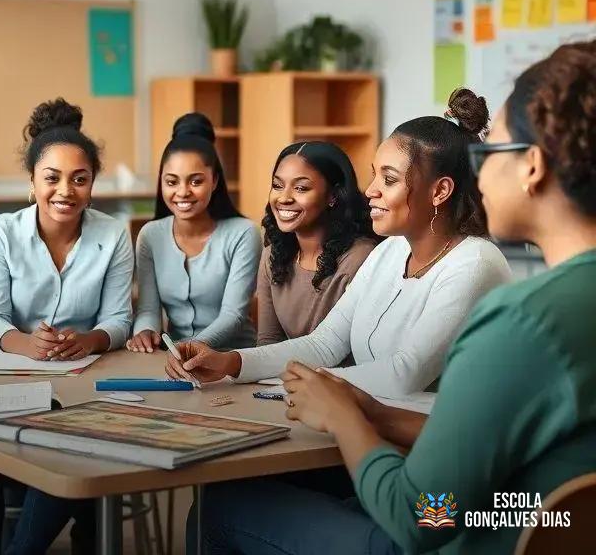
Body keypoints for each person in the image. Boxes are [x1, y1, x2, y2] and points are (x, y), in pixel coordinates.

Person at [188, 39, 596, 555]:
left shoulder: (520, 319)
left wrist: (343, 416)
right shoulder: (557, 304)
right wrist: (367, 412)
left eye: (494, 152)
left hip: (465, 530)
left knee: (224, 504)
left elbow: (422, 513)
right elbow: (492, 459)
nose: (482, 171)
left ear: (532, 166)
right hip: (504, 514)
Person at [168, 88, 513, 399]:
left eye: (388, 179)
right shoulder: (391, 251)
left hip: (441, 448)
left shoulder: (476, 263)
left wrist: (301, 383)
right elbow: (326, 342)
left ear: (439, 191)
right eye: (374, 173)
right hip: (373, 426)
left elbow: (404, 374)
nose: (371, 190)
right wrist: (229, 362)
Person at [0, 98, 134, 555]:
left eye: (80, 179)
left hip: (87, 377)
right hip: (9, 370)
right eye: (51, 178)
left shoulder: (113, 233)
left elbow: (118, 319)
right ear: (32, 182)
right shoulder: (1, 232)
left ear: (93, 184)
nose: (65, 191)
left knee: (74, 442)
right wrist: (25, 344)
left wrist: (90, 339)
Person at [126, 113, 257, 353]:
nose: (182, 192)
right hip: (174, 359)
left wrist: (187, 348)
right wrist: (144, 332)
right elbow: (148, 310)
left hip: (234, 359)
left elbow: (234, 315)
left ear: (214, 180)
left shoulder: (243, 233)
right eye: (172, 182)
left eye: (196, 182)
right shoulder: (150, 235)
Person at [255, 141, 379, 351]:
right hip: (284, 376)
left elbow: (347, 352)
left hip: (343, 380)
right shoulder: (272, 255)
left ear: (332, 196)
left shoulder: (360, 257)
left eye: (301, 188)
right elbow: (267, 341)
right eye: (277, 185)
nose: (283, 198)